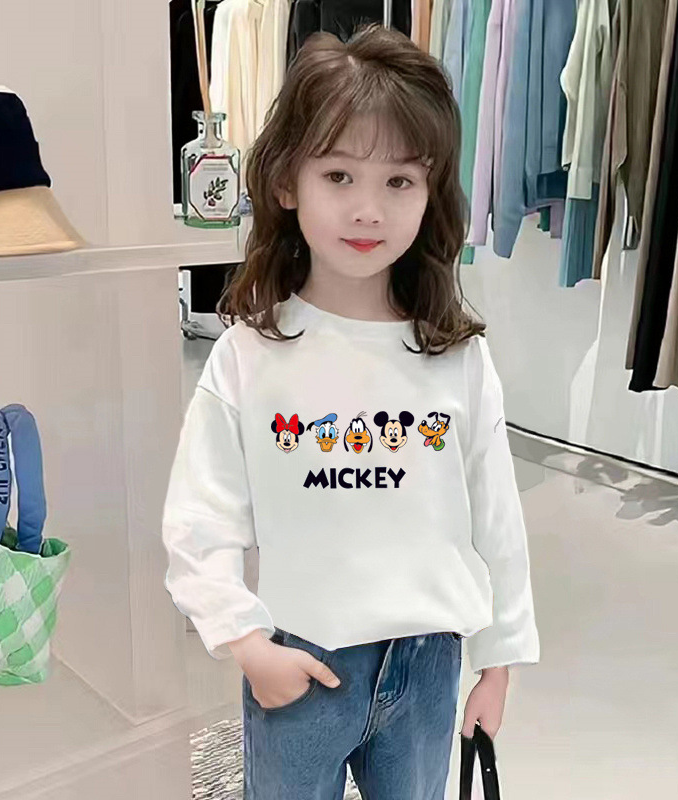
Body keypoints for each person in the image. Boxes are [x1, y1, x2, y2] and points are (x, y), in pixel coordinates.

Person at [162, 22, 540, 799]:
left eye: (399, 182)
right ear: (286, 182)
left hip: (428, 664)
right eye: (339, 175)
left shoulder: (456, 358)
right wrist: (245, 643)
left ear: (431, 193)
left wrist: (499, 661)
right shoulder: (249, 355)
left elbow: (498, 518)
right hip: (302, 663)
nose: (368, 210)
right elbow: (199, 517)